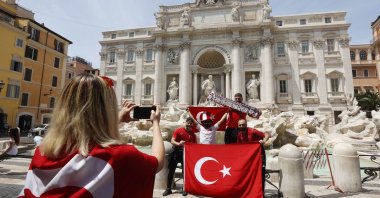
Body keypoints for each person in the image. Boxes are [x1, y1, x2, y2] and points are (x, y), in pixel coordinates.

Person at [19, 74, 164, 197]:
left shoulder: (42, 152)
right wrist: (156, 124)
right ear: (108, 109)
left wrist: (117, 120)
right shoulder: (120, 156)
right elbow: (158, 162)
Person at [163, 117, 197, 196]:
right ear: (185, 123)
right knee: (171, 170)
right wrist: (179, 144)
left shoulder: (193, 134)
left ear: (192, 125)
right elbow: (172, 141)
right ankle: (168, 189)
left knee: (185, 172)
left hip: (185, 154)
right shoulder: (178, 130)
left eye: (190, 125)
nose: (189, 125)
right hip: (176, 152)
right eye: (188, 124)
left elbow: (195, 146)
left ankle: (184, 188)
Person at [236, 119, 270, 194]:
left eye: (243, 125)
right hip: (249, 158)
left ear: (246, 125)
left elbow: (267, 134)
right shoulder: (239, 135)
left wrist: (264, 140)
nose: (241, 126)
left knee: (260, 174)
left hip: (259, 155)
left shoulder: (253, 131)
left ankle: (261, 192)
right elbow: (239, 147)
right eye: (240, 125)